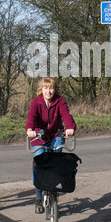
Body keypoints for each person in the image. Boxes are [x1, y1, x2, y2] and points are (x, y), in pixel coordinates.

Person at [25, 77, 76, 213]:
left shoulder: (60, 101)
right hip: (39, 135)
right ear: (41, 90)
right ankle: (38, 198)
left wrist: (70, 127)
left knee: (56, 162)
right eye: (45, 88)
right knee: (39, 162)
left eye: (51, 88)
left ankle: (54, 189)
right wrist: (30, 130)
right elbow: (31, 117)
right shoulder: (36, 102)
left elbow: (66, 115)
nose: (48, 91)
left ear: (55, 89)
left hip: (56, 135)